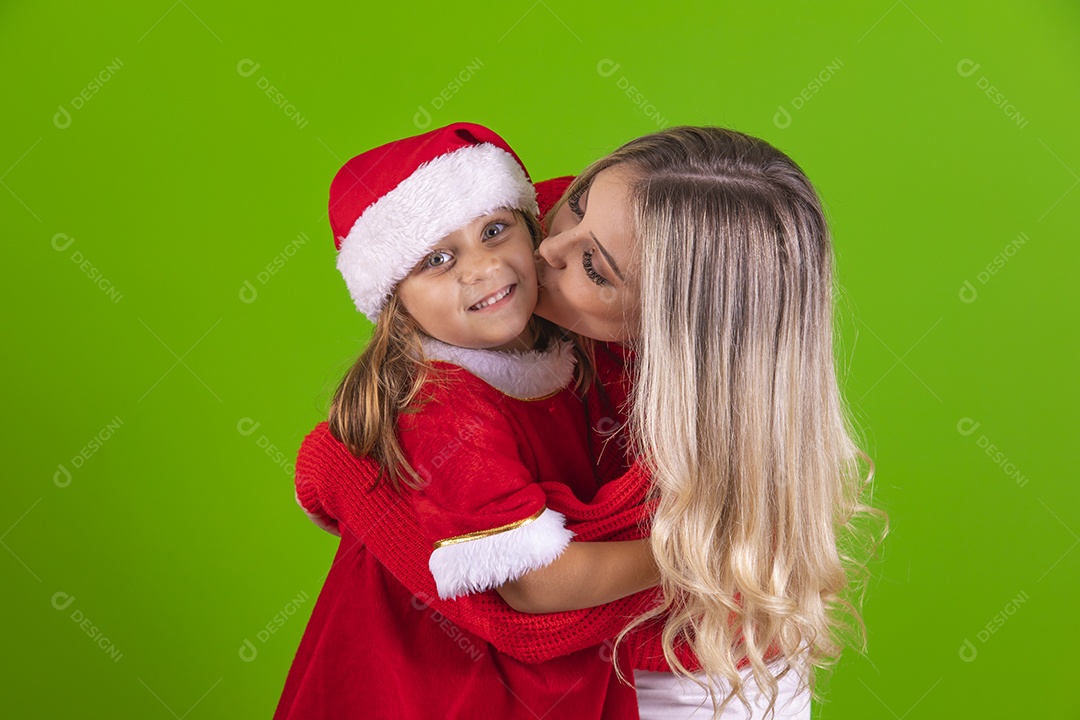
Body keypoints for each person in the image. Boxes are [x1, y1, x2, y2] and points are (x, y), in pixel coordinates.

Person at [291, 126, 885, 719]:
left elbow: (533, 604)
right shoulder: (530, 229)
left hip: (693, 680)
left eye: (594, 268)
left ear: (670, 328)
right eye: (574, 204)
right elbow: (524, 594)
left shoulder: (713, 419)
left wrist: (705, 548)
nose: (541, 250)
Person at [275, 122, 659, 720]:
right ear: (394, 300)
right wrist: (693, 554)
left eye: (494, 230)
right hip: (434, 682)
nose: (481, 268)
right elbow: (535, 584)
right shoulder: (442, 406)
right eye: (437, 259)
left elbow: (588, 206)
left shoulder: (556, 330)